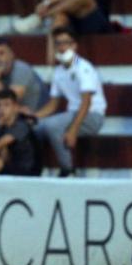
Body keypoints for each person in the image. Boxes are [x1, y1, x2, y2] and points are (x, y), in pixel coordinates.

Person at [33, 26, 106, 177]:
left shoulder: (83, 68)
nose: (61, 47)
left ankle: (68, 169)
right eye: (58, 43)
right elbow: (53, 104)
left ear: (74, 45)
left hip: (91, 115)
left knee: (52, 125)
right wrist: (33, 117)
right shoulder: (59, 71)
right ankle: (33, 170)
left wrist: (73, 130)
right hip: (73, 114)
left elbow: (86, 103)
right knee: (36, 127)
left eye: (65, 42)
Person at [0, 89, 40, 175]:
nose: (1, 109)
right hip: (10, 168)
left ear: (15, 107)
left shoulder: (21, 125)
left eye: (6, 105)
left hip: (26, 172)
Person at [0, 38, 44, 114]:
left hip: (38, 117)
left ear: (11, 55)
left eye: (1, 53)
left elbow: (7, 103)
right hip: (14, 117)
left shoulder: (22, 69)